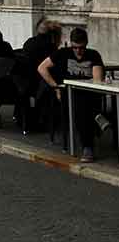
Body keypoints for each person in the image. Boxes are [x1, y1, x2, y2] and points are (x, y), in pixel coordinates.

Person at [38, 26, 105, 163]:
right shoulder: (63, 53)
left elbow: (97, 80)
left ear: (86, 44)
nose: (79, 51)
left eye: (82, 48)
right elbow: (42, 67)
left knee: (84, 103)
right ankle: (90, 139)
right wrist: (55, 86)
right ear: (71, 44)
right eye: (75, 48)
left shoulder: (93, 55)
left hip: (88, 92)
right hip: (68, 92)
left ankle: (89, 143)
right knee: (81, 106)